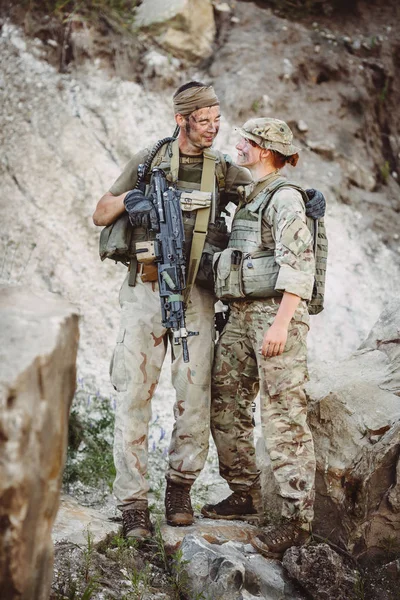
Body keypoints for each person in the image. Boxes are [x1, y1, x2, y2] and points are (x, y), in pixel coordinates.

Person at [92, 81, 252, 540]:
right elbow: (100, 212)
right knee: (133, 395)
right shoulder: (149, 160)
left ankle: (180, 489)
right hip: (145, 294)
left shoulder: (222, 168)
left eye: (217, 120)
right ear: (181, 120)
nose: (213, 129)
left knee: (195, 395)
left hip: (196, 296)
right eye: (204, 121)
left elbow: (261, 196)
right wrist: (130, 199)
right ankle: (132, 503)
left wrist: (298, 198)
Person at [201, 117, 317, 559]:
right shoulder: (251, 193)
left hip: (275, 314)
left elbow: (299, 263)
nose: (238, 145)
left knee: (283, 415)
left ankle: (296, 521)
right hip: (241, 314)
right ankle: (245, 492)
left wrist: (283, 323)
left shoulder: (284, 198)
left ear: (264, 149)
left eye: (245, 141)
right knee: (226, 401)